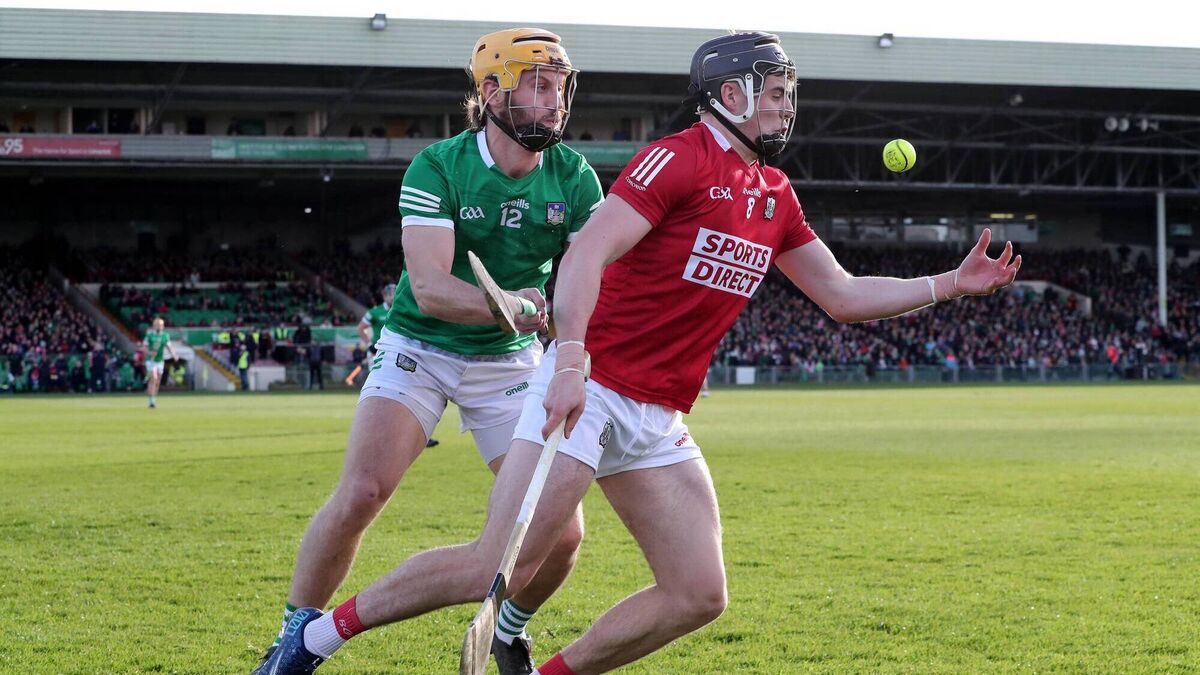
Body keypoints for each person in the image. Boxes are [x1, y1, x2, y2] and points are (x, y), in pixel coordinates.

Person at [259, 32, 1024, 675]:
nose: (785, 105)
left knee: (698, 591)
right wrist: (568, 361)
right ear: (729, 94)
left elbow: (843, 294)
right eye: (773, 91)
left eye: (788, 92)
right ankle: (314, 639)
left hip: (659, 414)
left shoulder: (774, 192)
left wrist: (948, 284)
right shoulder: (676, 159)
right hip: (591, 391)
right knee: (491, 563)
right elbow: (585, 255)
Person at [253, 27, 603, 675]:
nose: (555, 100)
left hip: (510, 361)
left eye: (560, 86)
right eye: (539, 84)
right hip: (421, 346)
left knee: (562, 534)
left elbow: (590, 280)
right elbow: (431, 288)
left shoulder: (575, 177)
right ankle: (294, 636)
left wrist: (565, 328)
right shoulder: (438, 166)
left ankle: (509, 630)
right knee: (362, 492)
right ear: (492, 91)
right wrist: (516, 305)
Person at [143, 317, 177, 408]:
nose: (159, 327)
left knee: (157, 381)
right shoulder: (149, 336)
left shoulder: (165, 336)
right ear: (154, 326)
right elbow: (144, 348)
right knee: (153, 378)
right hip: (151, 360)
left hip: (160, 360)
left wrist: (174, 355)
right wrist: (150, 352)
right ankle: (151, 402)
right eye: (157, 325)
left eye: (160, 325)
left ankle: (153, 400)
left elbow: (169, 346)